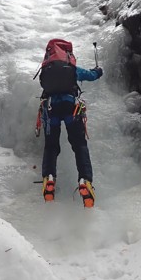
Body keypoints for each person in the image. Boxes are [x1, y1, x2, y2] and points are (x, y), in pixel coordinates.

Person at [37, 39, 103, 207]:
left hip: (51, 109)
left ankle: (49, 178)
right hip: (71, 109)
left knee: (51, 146)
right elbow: (92, 75)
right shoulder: (72, 69)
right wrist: (98, 71)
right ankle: (85, 181)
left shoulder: (47, 68)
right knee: (79, 145)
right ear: (69, 54)